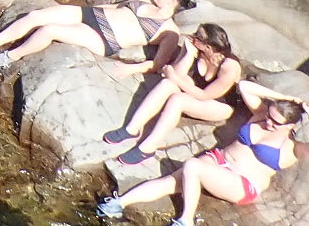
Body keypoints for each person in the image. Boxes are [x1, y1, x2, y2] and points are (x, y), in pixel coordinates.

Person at [98, 83, 309, 226]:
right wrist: (285, 99)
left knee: (193, 167)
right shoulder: (261, 114)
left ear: (290, 126)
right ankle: (119, 203)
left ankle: (186, 223)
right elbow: (244, 86)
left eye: (276, 122)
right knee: (171, 181)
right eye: (269, 116)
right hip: (219, 160)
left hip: (242, 183)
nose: (268, 122)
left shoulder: (291, 148)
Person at [0, 0, 193, 70]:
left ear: (173, 2)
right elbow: (115, 6)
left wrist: (129, 68)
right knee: (37, 15)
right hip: (93, 16)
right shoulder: (145, 0)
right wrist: (84, 12)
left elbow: (157, 64)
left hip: (104, 37)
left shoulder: (170, 31)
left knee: (49, 30)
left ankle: (8, 57)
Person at [104, 24, 244, 165]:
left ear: (208, 47)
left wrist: (175, 78)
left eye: (198, 36)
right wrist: (188, 55)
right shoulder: (192, 47)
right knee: (166, 85)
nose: (192, 36)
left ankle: (148, 148)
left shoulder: (229, 67)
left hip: (218, 104)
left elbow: (204, 95)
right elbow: (174, 75)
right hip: (195, 91)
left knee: (178, 100)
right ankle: (132, 128)